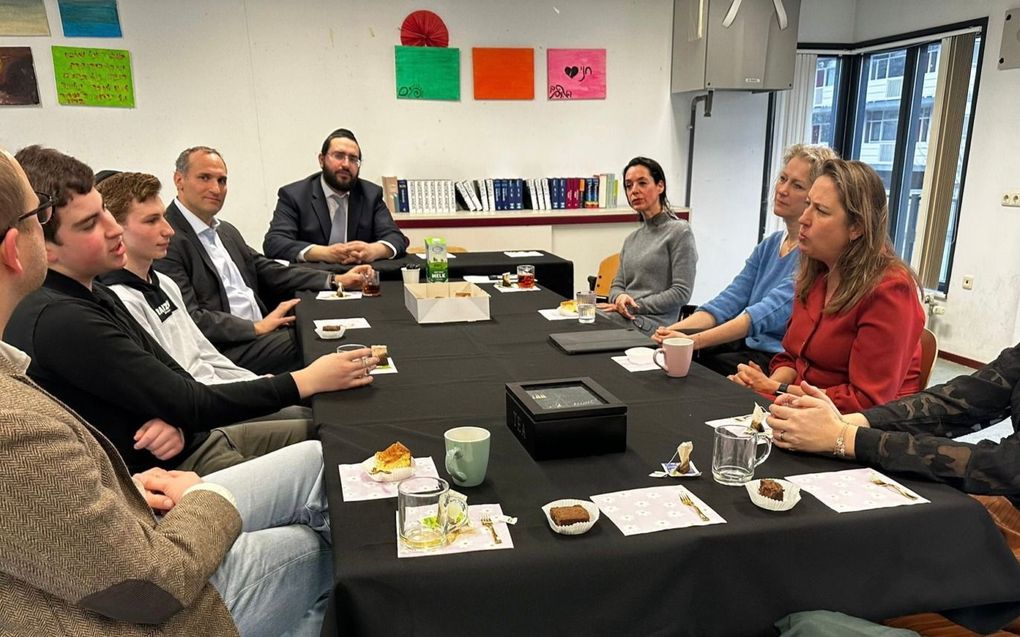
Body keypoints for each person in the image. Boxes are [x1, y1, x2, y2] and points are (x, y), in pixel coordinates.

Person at [0, 148, 333, 636]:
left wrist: (153, 452)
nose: (115, 230)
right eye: (93, 222)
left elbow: (171, 387)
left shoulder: (84, 303)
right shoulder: (20, 413)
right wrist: (204, 496)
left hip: (143, 507)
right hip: (164, 600)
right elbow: (148, 582)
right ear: (18, 247)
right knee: (318, 539)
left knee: (320, 464)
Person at [6, 145, 378, 475]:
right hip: (178, 468)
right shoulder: (65, 317)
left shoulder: (96, 295)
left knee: (329, 429)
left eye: (105, 212)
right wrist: (304, 380)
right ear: (38, 240)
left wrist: (179, 416)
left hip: (193, 434)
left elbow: (178, 379)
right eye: (91, 223)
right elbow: (186, 395)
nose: (113, 229)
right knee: (331, 463)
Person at [729, 159, 924, 413]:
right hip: (803, 410)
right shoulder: (817, 272)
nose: (804, 218)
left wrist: (777, 389)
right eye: (808, 204)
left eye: (820, 211)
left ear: (857, 227)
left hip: (855, 428)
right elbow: (791, 357)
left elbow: (865, 400)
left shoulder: (890, 289)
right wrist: (769, 383)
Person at [156, 146, 370, 375]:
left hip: (262, 330)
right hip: (224, 350)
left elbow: (269, 270)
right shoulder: (168, 239)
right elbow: (189, 318)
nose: (215, 188)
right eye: (204, 178)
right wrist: (255, 327)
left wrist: (334, 279)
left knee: (332, 321)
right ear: (179, 180)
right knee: (316, 344)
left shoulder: (225, 231)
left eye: (222, 180)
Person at [652, 144, 838, 375]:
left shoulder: (813, 257)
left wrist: (694, 340)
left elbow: (762, 315)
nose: (782, 190)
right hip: (746, 345)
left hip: (776, 359)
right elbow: (728, 302)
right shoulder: (770, 245)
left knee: (698, 369)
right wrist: (670, 331)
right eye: (783, 178)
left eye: (797, 185)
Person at [96, 171, 259, 384]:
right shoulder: (122, 301)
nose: (169, 230)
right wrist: (261, 392)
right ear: (115, 229)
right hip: (205, 406)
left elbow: (207, 355)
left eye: (163, 216)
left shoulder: (165, 283)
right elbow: (178, 386)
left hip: (218, 392)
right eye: (152, 221)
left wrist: (257, 382)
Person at [263, 128, 409, 263]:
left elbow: (396, 238)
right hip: (314, 280)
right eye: (338, 156)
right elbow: (274, 243)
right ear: (322, 160)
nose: (346, 164)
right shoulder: (294, 195)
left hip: (359, 276)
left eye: (353, 159)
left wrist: (373, 250)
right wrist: (325, 253)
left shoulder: (370, 195)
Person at [600, 156, 697, 335]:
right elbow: (617, 286)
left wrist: (634, 306)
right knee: (579, 317)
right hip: (627, 317)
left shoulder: (680, 232)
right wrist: (620, 298)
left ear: (660, 186)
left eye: (642, 183)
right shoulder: (631, 239)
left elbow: (682, 292)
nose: (634, 191)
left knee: (590, 325)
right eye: (629, 186)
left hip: (654, 324)